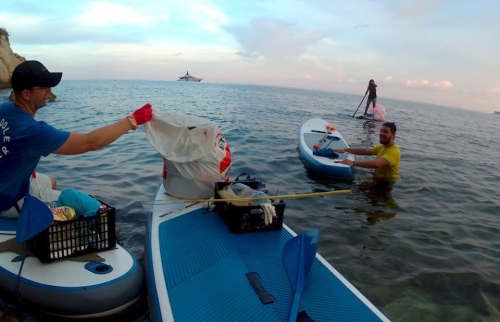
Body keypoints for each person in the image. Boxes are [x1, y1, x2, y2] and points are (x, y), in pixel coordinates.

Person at [0, 60, 153, 219]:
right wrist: (132, 120)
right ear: (26, 94)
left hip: (12, 184)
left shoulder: (4, 109)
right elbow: (90, 142)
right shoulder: (31, 130)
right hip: (8, 201)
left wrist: (17, 160)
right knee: (85, 209)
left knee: (51, 181)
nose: (49, 90)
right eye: (44, 87)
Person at [334, 122, 400, 182]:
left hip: (386, 184)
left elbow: (377, 164)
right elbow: (365, 151)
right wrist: (345, 150)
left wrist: (352, 163)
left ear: (393, 134)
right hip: (378, 179)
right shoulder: (382, 147)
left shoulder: (394, 151)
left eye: (385, 132)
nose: (381, 133)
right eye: (381, 131)